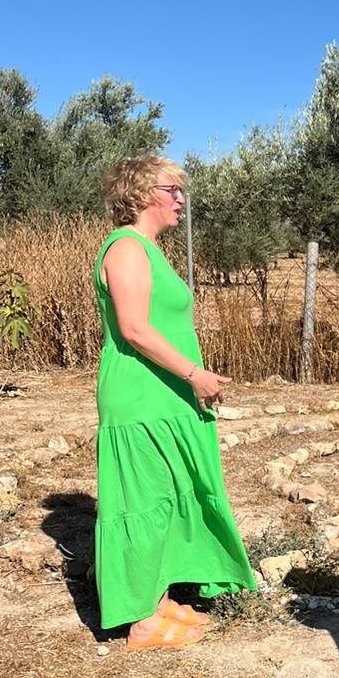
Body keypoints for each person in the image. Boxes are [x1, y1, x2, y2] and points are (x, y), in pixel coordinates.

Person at [94, 155, 257, 648]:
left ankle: (157, 595)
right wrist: (194, 374)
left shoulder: (147, 249)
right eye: (172, 190)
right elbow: (134, 328)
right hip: (141, 395)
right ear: (143, 193)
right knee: (142, 499)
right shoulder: (126, 249)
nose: (181, 199)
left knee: (165, 494)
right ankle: (139, 619)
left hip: (164, 393)